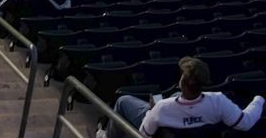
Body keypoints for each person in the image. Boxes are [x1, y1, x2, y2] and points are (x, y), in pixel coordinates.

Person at [102, 56, 264, 138]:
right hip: (192, 125)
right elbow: (246, 122)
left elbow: (144, 133)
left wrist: (151, 111)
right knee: (174, 96)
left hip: (161, 118)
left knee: (123, 101)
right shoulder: (218, 101)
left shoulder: (162, 107)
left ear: (182, 82)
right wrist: (259, 99)